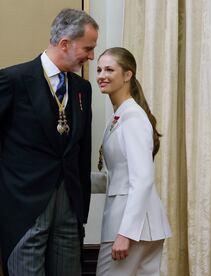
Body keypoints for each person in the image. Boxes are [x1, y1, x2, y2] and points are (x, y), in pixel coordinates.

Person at [0, 9, 98, 276]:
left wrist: (82, 212)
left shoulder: (82, 89)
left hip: (69, 210)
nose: (91, 56)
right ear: (64, 43)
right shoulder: (13, 80)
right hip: (24, 210)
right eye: (88, 48)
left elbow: (82, 150)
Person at [94, 47, 171, 276]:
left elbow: (143, 178)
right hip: (143, 227)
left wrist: (125, 233)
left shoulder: (134, 117)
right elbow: (120, 174)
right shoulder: (121, 115)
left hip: (130, 227)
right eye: (99, 69)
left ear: (128, 75)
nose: (101, 75)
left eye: (109, 69)